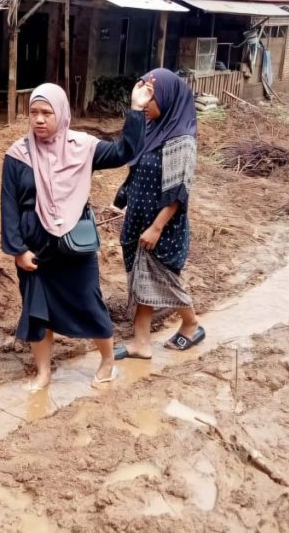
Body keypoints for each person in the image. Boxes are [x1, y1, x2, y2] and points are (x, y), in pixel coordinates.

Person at [1, 81, 153, 390]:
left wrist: (137, 110)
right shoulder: (18, 154)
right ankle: (43, 373)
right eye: (34, 113)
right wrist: (17, 249)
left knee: (88, 301)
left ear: (62, 113)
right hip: (35, 248)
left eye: (47, 112)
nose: (40, 119)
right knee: (37, 310)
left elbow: (126, 151)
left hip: (74, 245)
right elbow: (8, 206)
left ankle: (108, 362)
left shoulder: (83, 147)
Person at [113, 69, 202, 361]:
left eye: (149, 103)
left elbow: (178, 191)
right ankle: (141, 344)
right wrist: (123, 197)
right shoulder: (152, 130)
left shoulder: (181, 139)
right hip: (139, 219)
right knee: (143, 282)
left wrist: (156, 227)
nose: (146, 109)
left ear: (166, 98)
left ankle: (191, 324)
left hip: (161, 226)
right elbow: (133, 161)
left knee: (163, 279)